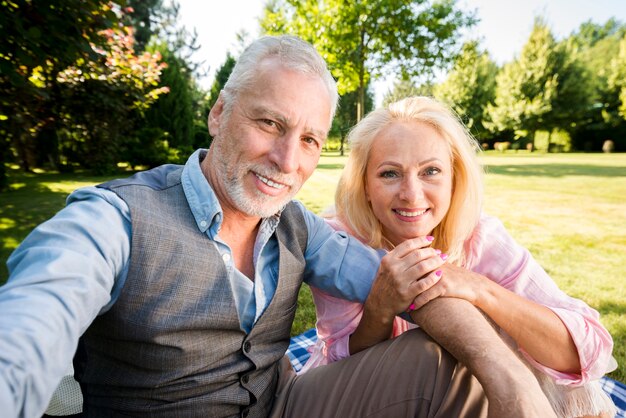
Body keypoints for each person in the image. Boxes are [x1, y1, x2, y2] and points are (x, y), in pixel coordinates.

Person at [0, 35, 555, 418]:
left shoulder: (298, 228)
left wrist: (509, 378)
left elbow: (412, 285)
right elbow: (26, 331)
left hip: (284, 407)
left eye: (310, 139)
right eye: (270, 123)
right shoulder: (113, 221)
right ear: (219, 114)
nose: (288, 160)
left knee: (445, 364)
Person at [303, 96, 618, 418]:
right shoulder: (340, 240)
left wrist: (481, 290)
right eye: (389, 174)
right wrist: (380, 309)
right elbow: (342, 364)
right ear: (365, 184)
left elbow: (588, 350)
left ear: (455, 179)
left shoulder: (479, 236)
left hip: (476, 392)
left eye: (431, 171)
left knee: (556, 375)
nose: (412, 194)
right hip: (384, 395)